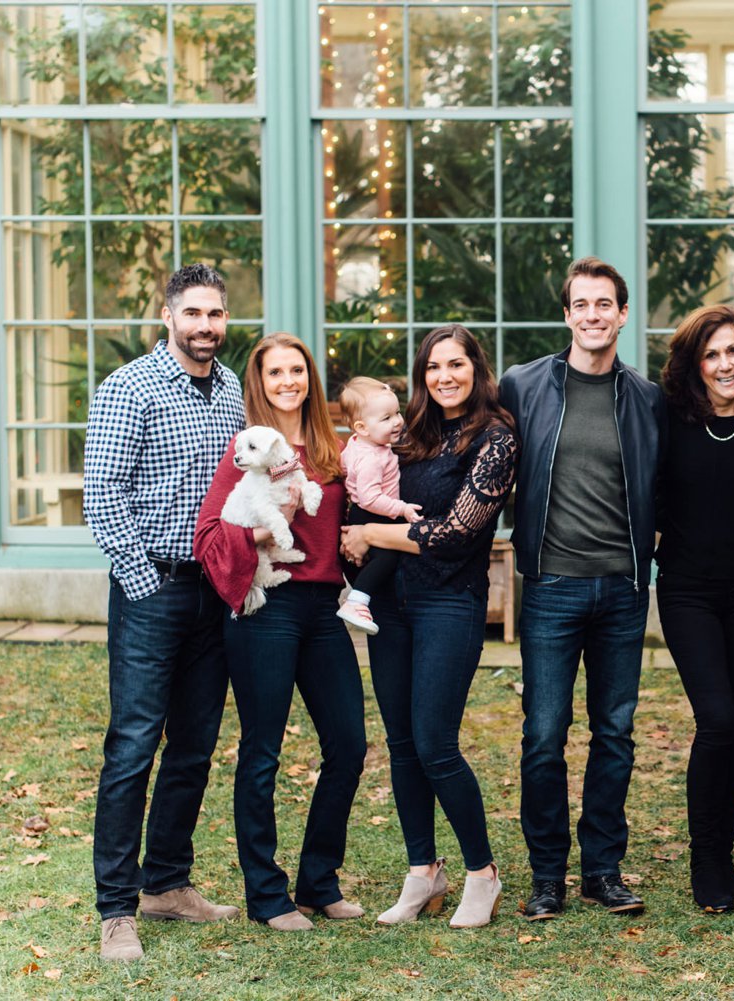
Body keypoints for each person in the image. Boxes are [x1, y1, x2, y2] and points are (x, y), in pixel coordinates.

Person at [83, 264, 245, 962]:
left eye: (215, 314)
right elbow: (103, 495)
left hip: (217, 592)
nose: (205, 326)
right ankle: (117, 908)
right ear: (168, 315)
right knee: (133, 745)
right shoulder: (129, 388)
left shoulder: (234, 387)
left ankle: (168, 883)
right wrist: (146, 584)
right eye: (193, 313)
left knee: (195, 744)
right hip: (153, 589)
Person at [499, 256, 665, 920]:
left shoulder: (646, 397)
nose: (593, 315)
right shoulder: (523, 385)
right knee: (543, 732)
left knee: (614, 732)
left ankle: (602, 868)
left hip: (622, 590)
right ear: (567, 314)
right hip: (551, 585)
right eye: (581, 304)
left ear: (622, 314)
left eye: (605, 304)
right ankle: (547, 874)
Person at [340, 324, 518, 929]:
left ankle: (481, 875)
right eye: (433, 367)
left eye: (455, 364)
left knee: (435, 741)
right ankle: (423, 871)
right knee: (400, 744)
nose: (444, 376)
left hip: (450, 602)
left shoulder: (495, 438)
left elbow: (457, 534)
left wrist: (370, 535)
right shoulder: (406, 434)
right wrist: (354, 534)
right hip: (389, 605)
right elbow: (360, 495)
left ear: (476, 368)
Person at [193, 333, 368, 932]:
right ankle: (267, 895)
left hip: (323, 610)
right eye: (276, 373)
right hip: (267, 609)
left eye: (298, 370)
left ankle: (319, 881)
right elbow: (211, 534)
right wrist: (271, 533)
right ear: (260, 384)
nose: (288, 381)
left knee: (348, 745)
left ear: (310, 379)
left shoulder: (334, 452)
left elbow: (356, 519)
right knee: (262, 753)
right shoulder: (245, 452)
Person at [656, 304, 734, 913]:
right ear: (694, 364)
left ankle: (724, 854)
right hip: (687, 592)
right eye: (712, 354)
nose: (725, 364)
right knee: (718, 720)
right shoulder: (669, 418)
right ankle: (707, 857)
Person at [334, 376, 423, 635]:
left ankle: (361, 599)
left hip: (363, 513)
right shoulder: (372, 457)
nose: (397, 422)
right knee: (388, 557)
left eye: (397, 413)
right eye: (386, 419)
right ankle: (357, 601)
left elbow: (342, 468)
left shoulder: (357, 445)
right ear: (361, 427)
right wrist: (402, 508)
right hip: (372, 513)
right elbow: (370, 497)